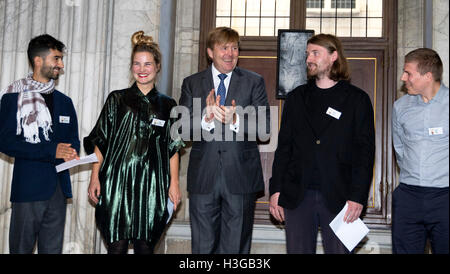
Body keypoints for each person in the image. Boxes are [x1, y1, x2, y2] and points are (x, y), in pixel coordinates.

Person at [269, 34, 375, 254]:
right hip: (297, 196)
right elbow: (284, 149)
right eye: (308, 54)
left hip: (341, 197)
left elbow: (364, 153)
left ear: (334, 56)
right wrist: (276, 190)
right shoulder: (296, 98)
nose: (309, 58)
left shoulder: (357, 99)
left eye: (315, 53)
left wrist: (357, 196)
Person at [84, 31, 184, 254]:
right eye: (137, 64)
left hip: (152, 184)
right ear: (131, 67)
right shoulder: (116, 99)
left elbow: (173, 148)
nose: (142, 69)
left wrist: (174, 183)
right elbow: (101, 140)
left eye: (148, 64)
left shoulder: (169, 104)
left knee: (145, 246)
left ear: (157, 66)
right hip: (117, 182)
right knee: (116, 246)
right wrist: (94, 177)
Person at [179, 27, 270, 254]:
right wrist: (205, 119)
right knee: (203, 247)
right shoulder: (192, 83)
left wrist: (235, 118)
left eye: (235, 48)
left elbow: (265, 129)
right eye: (224, 48)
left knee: (235, 248)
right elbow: (180, 129)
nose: (230, 53)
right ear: (210, 52)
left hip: (241, 178)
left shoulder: (254, 82)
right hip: (203, 177)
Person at [0, 34, 80, 254]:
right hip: (28, 189)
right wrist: (51, 150)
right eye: (56, 59)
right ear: (38, 61)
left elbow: (73, 137)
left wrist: (72, 151)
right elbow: (5, 141)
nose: (61, 65)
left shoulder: (65, 101)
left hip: (59, 190)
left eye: (61, 59)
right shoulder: (13, 96)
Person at [392, 48, 449, 254]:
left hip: (445, 197)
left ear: (428, 76)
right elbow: (399, 148)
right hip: (408, 196)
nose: (402, 77)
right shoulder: (400, 107)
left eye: (408, 73)